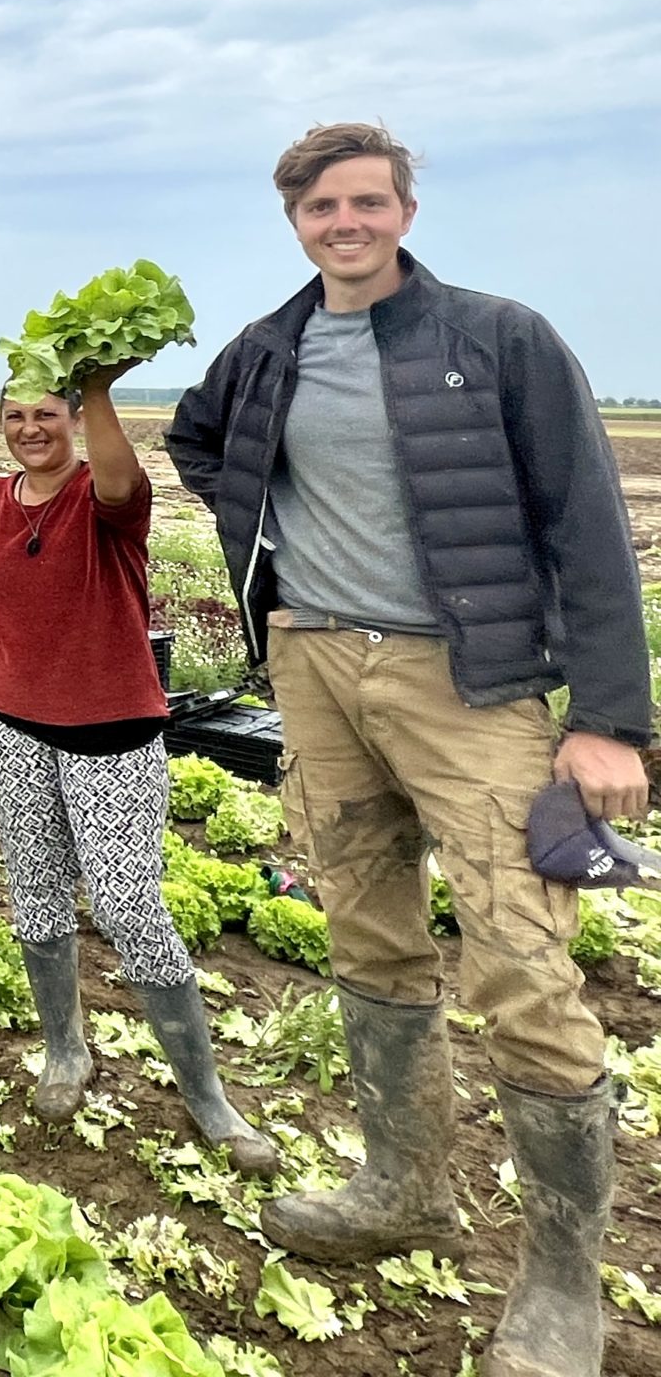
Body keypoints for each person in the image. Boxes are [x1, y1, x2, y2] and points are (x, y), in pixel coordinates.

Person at [166, 121, 648, 1377]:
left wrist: (606, 720)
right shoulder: (266, 350)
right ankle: (401, 1188)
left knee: (519, 960)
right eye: (324, 205)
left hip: (466, 680)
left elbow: (586, 523)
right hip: (316, 667)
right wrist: (268, 557)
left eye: (368, 202)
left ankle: (558, 1286)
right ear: (293, 218)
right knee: (364, 925)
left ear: (403, 212)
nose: (347, 222)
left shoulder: (498, 337)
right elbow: (198, 441)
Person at [0, 373, 276, 1173]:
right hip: (10, 722)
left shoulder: (105, 497)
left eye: (47, 413)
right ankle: (64, 1050)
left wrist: (102, 388)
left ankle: (208, 1096)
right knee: (36, 888)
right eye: (15, 416)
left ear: (75, 419)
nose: (29, 428)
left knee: (126, 903)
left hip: (109, 725)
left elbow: (122, 476)